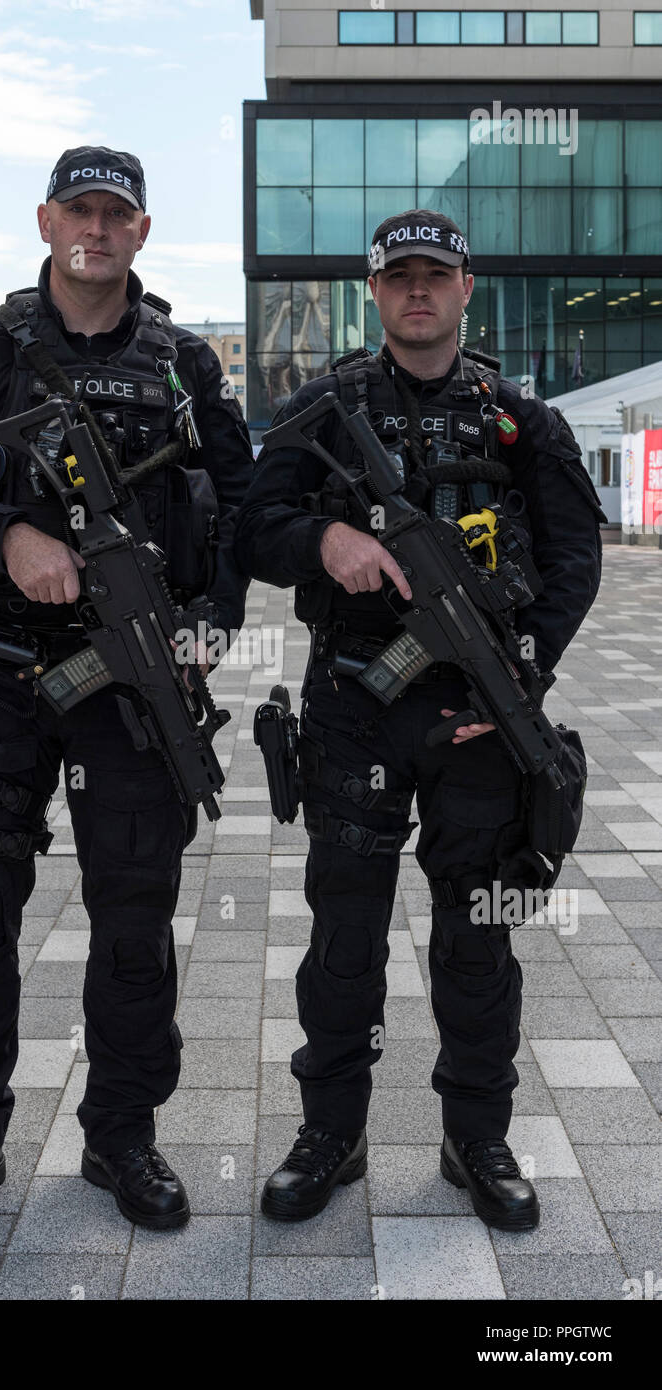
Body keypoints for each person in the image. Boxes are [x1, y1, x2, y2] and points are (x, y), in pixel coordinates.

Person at [0, 145, 252, 1242]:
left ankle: (122, 1136)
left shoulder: (185, 362)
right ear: (46, 221)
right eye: (78, 208)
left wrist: (210, 623)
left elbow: (238, 506)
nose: (96, 226)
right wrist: (10, 535)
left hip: (133, 688)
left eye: (115, 212)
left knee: (134, 919)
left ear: (139, 230)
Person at [233, 209, 604, 1231]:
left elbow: (575, 561)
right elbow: (254, 531)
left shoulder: (522, 420)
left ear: (466, 287)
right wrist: (327, 541)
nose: (419, 292)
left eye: (436, 274)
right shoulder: (324, 408)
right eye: (399, 277)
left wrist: (518, 678)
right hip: (355, 703)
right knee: (343, 932)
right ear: (376, 290)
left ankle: (475, 1137)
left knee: (479, 937)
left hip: (480, 720)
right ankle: (331, 1135)